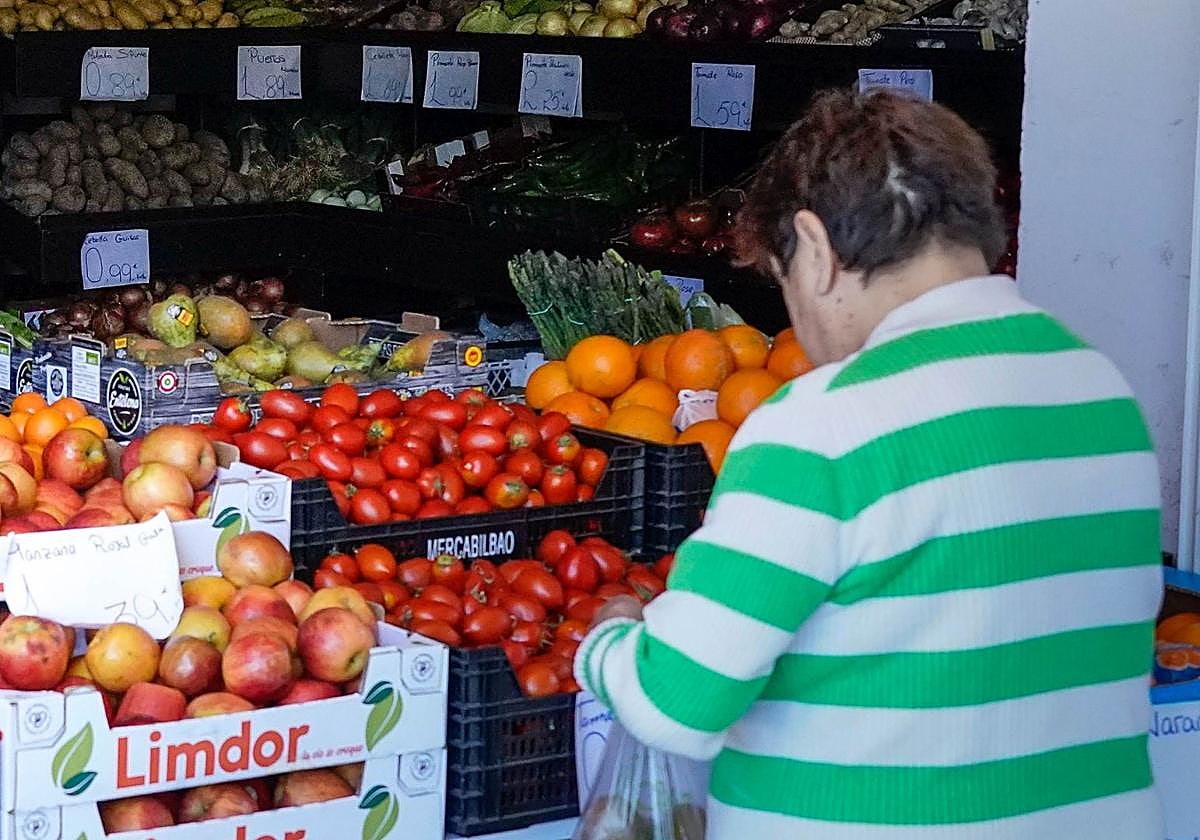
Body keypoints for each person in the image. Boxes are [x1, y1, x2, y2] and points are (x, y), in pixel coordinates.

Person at [574, 88, 1164, 839]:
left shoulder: (821, 426)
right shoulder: (1100, 394)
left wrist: (613, 636)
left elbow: (675, 703)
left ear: (815, 250)